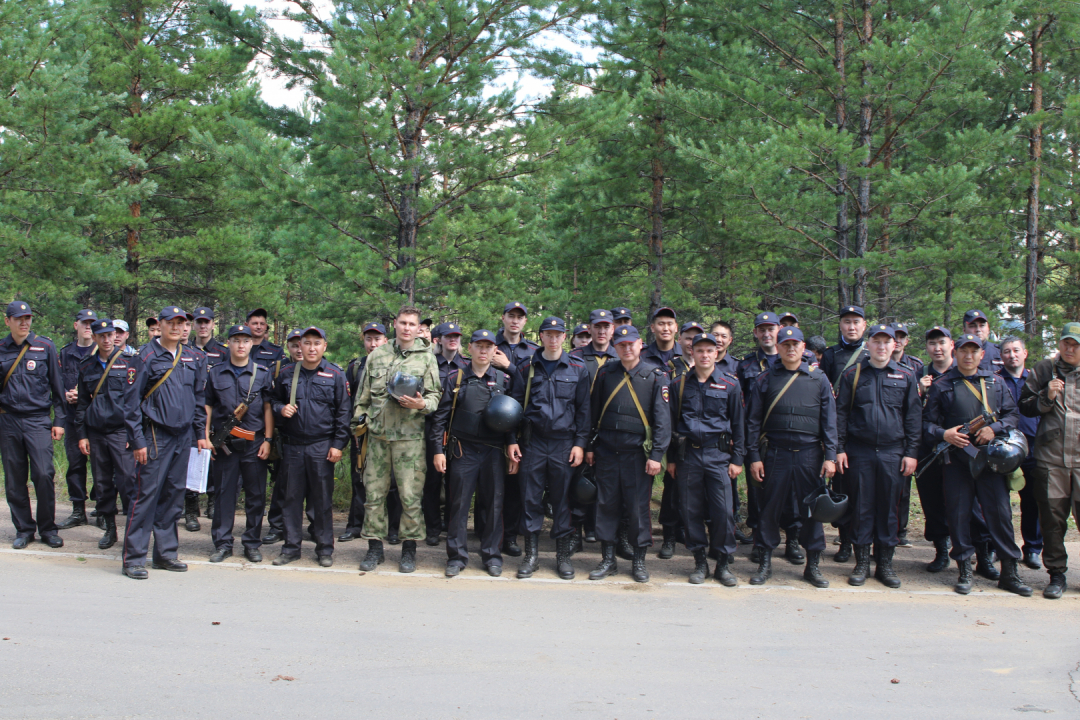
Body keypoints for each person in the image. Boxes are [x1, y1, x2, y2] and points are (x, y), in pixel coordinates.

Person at [923, 333, 1029, 596]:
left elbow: (1012, 414)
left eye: (974, 351)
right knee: (958, 516)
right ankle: (964, 569)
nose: (968, 356)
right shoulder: (942, 384)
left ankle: (1009, 572)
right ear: (955, 352)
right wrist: (944, 434)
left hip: (989, 461)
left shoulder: (996, 382)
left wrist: (994, 428)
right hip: (956, 462)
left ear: (982, 354)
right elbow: (926, 424)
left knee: (1001, 515)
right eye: (963, 351)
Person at [745, 327, 837, 588]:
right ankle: (764, 563)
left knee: (812, 512)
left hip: (810, 455)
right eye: (785, 344)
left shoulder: (818, 379)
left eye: (795, 344)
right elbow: (751, 422)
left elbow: (830, 422)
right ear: (779, 346)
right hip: (776, 454)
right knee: (769, 509)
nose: (790, 348)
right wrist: (753, 456)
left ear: (803, 346)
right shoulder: (765, 379)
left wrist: (830, 455)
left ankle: (813, 566)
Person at [121, 307, 209, 579]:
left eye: (181, 323)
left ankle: (166, 554)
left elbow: (198, 401)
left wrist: (200, 436)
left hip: (183, 437)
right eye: (170, 322)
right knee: (145, 497)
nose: (176, 327)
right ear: (159, 325)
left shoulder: (194, 357)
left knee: (173, 497)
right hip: (155, 436)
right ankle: (134, 558)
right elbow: (131, 404)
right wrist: (137, 441)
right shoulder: (144, 357)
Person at [354, 305, 441, 574]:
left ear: (418, 328)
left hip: (410, 440)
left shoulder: (427, 358)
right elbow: (362, 398)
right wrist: (360, 424)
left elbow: (435, 396)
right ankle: (374, 548)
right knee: (374, 495)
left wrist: (420, 404)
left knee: (410, 497)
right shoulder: (377, 356)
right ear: (395, 323)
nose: (406, 328)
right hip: (378, 438)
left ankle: (409, 550)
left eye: (412, 324)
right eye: (402, 323)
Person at [834, 324, 921, 588]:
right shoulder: (853, 374)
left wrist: (911, 453)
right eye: (876, 341)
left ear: (895, 345)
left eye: (887, 342)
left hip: (893, 452)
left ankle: (885, 564)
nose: (881, 347)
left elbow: (913, 418)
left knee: (889, 509)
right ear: (868, 344)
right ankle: (861, 563)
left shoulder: (906, 376)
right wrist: (838, 449)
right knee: (861, 508)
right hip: (859, 452)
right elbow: (840, 415)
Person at [507, 316, 590, 580]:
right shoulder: (526, 367)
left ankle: (562, 556)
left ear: (565, 337)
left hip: (564, 444)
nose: (553, 339)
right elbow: (514, 408)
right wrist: (511, 440)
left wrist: (579, 444)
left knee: (562, 499)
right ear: (540, 336)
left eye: (558, 334)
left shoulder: (578, 368)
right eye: (548, 334)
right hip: (533, 442)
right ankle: (531, 556)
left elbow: (584, 411)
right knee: (529, 498)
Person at [586, 324, 671, 583]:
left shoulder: (656, 376)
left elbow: (662, 420)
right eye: (621, 344)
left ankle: (639, 560)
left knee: (637, 510)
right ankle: (608, 559)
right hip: (607, 452)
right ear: (615, 346)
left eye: (630, 344)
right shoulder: (605, 373)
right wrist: (590, 446)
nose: (626, 348)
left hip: (638, 455)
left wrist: (656, 455)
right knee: (606, 506)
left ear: (640, 345)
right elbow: (593, 412)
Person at [430, 329, 514, 577]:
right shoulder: (456, 378)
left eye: (489, 346)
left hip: (494, 452)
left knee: (493, 505)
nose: (484, 350)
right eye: (479, 345)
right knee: (458, 505)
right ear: (470, 348)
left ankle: (492, 556)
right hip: (462, 451)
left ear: (494, 350)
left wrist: (511, 446)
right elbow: (440, 419)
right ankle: (456, 557)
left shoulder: (503, 379)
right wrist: (438, 451)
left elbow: (511, 418)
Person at [668, 332, 744, 585]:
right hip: (688, 454)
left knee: (723, 511)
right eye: (699, 350)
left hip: (718, 455)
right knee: (691, 511)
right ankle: (700, 562)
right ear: (692, 352)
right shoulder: (678, 385)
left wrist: (738, 459)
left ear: (716, 353)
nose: (704, 355)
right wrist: (671, 459)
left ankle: (723, 564)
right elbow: (671, 424)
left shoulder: (730, 384)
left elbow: (739, 424)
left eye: (709, 350)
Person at [270, 327, 349, 567]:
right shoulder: (286, 374)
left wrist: (338, 445)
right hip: (293, 447)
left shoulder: (335, 375)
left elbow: (344, 412)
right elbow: (272, 400)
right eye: (306, 343)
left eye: (317, 343)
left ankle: (324, 549)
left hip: (321, 446)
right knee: (291, 500)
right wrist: (280, 409)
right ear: (298, 347)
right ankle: (291, 547)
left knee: (322, 500)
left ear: (324, 346)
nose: (311, 348)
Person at [203, 324, 274, 564]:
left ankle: (252, 543)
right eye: (236, 340)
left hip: (253, 443)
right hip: (225, 445)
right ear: (229, 344)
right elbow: (207, 407)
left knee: (256, 496)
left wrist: (268, 439)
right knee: (224, 495)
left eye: (245, 341)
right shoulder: (215, 373)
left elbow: (267, 408)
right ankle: (222, 543)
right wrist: (206, 437)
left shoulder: (262, 373)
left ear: (251, 343)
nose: (241, 345)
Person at [737, 312, 804, 563]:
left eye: (771, 329)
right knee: (759, 493)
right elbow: (740, 405)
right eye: (761, 329)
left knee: (792, 493)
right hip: (759, 440)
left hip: (791, 439)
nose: (766, 333)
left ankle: (793, 539)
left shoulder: (802, 362)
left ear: (780, 330)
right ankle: (759, 539)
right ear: (755, 333)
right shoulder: (744, 365)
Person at [1019, 322, 1080, 599]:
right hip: (1051, 459)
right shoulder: (1045, 369)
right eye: (1067, 342)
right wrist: (1047, 395)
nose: (1070, 348)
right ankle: (1056, 575)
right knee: (1052, 521)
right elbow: (1025, 406)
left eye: (1076, 344)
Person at [0, 301, 67, 550]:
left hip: (38, 420)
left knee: (43, 473)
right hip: (7, 420)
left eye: (27, 318)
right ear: (8, 321)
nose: (24, 322)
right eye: (18, 318)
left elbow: (57, 387)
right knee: (15, 478)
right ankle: (24, 529)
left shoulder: (45, 346)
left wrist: (59, 421)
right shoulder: (1, 349)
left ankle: (48, 529)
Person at [73, 319, 138, 550]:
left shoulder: (130, 363)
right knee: (102, 484)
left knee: (127, 481)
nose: (108, 339)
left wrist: (134, 435)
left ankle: (133, 531)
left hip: (121, 432)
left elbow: (137, 401)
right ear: (95, 337)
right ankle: (110, 528)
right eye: (102, 336)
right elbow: (81, 404)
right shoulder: (86, 366)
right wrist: (82, 435)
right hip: (96, 433)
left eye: (111, 335)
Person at [339, 323, 402, 543]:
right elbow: (347, 401)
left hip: (390, 432)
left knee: (393, 483)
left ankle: (393, 528)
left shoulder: (396, 363)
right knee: (359, 479)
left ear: (386, 340)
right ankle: (356, 525)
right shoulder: (355, 367)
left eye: (377, 339)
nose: (373, 343)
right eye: (369, 339)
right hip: (363, 432)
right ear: (363, 340)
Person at [819, 305, 869, 564]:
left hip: (865, 429)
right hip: (839, 430)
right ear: (840, 325)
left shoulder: (871, 354)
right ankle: (845, 540)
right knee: (842, 488)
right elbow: (824, 394)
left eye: (856, 322)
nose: (851, 327)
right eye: (847, 322)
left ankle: (864, 541)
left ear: (864, 325)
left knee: (865, 494)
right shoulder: (831, 355)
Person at [569, 309, 619, 548]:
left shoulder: (621, 355)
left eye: (606, 327)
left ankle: (601, 531)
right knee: (579, 483)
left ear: (613, 329)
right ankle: (575, 532)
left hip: (610, 431)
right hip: (579, 428)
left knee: (607, 485)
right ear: (589, 329)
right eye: (597, 326)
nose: (601, 331)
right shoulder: (575, 356)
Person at [998, 336, 1042, 570]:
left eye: (1016, 350)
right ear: (1001, 355)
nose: (1011, 355)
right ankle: (999, 547)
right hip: (1002, 449)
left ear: (1024, 353)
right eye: (1006, 351)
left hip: (1034, 448)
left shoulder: (1037, 380)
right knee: (999, 502)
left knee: (1032, 502)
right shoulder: (994, 381)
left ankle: (1033, 548)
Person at [915, 326, 957, 572]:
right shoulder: (919, 374)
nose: (937, 348)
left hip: (959, 447)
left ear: (951, 344)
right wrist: (919, 392)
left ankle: (974, 550)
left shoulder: (962, 370)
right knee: (931, 500)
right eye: (932, 343)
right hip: (928, 448)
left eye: (942, 342)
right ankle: (941, 550)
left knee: (963, 501)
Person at [424, 322, 469, 546]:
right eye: (447, 336)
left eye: (456, 336)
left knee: (455, 483)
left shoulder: (467, 366)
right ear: (438, 340)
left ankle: (452, 526)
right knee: (431, 482)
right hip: (431, 429)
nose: (453, 340)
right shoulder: (429, 364)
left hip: (458, 433)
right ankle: (432, 528)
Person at [57, 309, 99, 530]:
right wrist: (65, 394)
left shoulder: (101, 351)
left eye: (92, 323)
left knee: (101, 465)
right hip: (73, 417)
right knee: (75, 464)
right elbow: (54, 381)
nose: (88, 327)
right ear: (76, 325)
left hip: (96, 416)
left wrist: (87, 395)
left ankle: (103, 510)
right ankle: (77, 510)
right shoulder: (65, 353)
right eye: (84, 323)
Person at [492, 302, 538, 372]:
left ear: (525, 321)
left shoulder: (534, 351)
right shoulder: (490, 347)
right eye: (511, 316)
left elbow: (536, 381)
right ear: (503, 318)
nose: (515, 321)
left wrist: (508, 365)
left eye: (520, 317)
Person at [246, 308, 285, 376]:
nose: (259, 327)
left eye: (262, 324)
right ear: (246, 325)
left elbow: (282, 376)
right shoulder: (238, 348)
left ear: (266, 326)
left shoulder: (276, 351)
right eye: (255, 323)